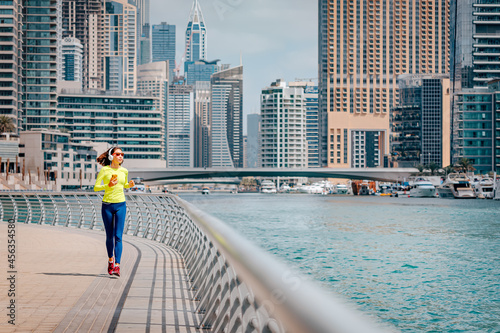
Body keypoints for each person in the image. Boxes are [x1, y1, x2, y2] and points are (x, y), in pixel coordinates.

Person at [94, 147, 134, 277]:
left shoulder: (124, 171)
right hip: (107, 206)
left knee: (118, 236)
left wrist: (130, 185)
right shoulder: (105, 170)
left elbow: (124, 185)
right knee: (109, 236)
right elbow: (95, 187)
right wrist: (108, 185)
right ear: (111, 156)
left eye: (122, 154)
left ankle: (117, 266)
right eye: (118, 154)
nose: (121, 156)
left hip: (120, 205)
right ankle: (110, 260)